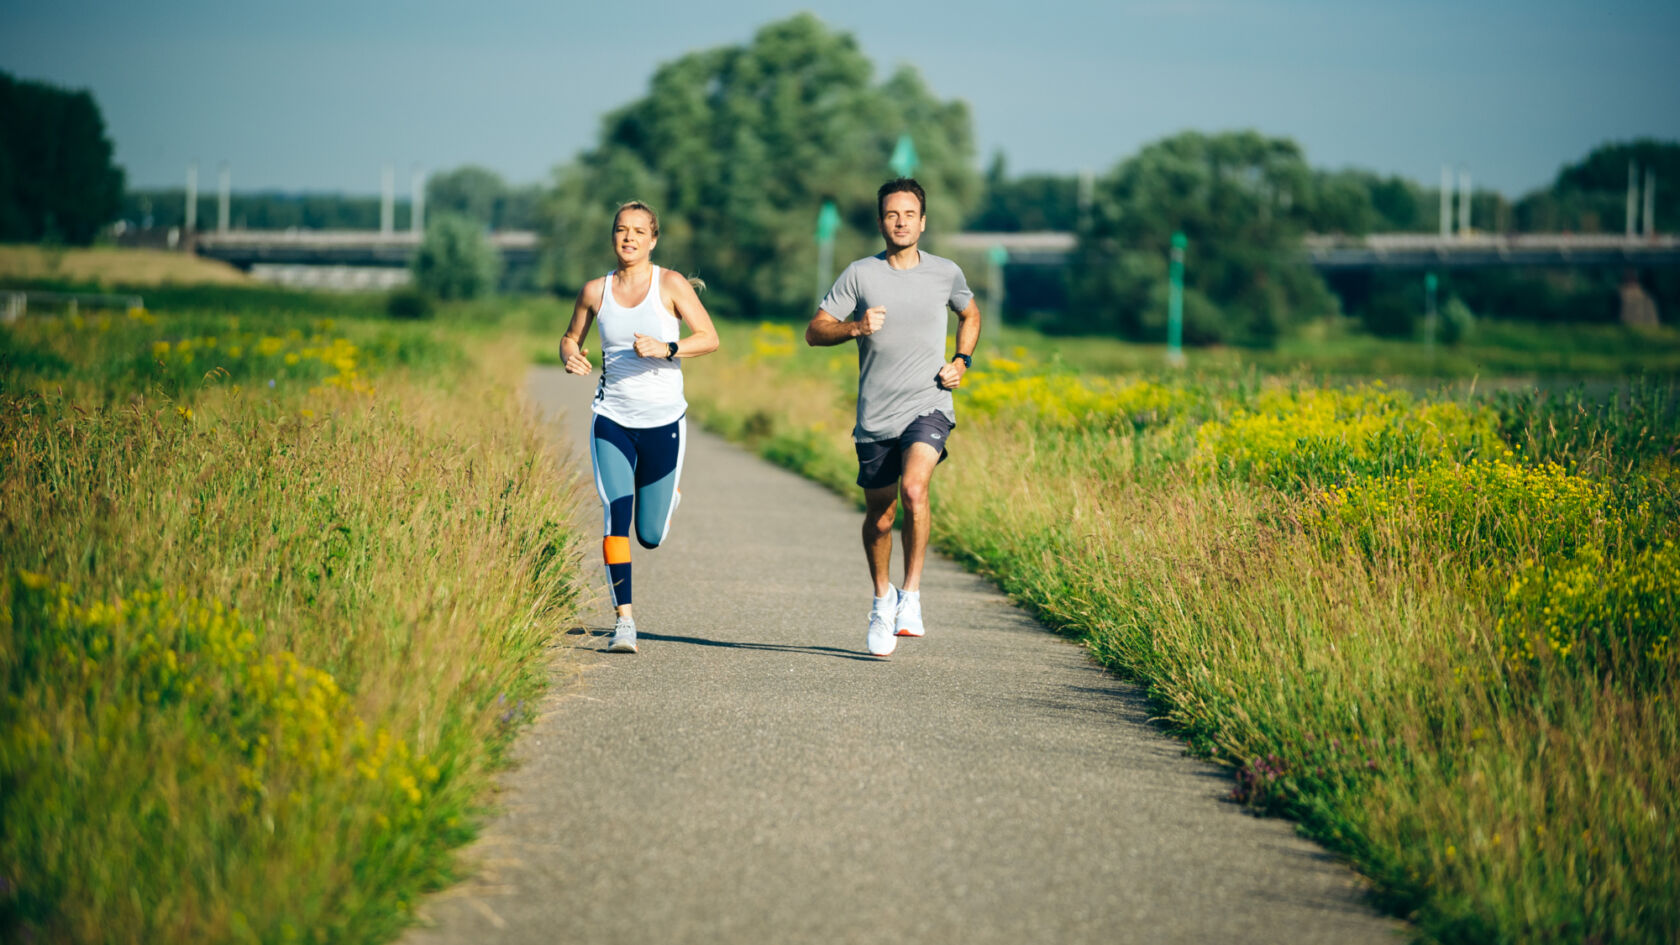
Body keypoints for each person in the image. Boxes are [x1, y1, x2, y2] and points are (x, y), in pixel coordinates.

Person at [805, 178, 981, 657]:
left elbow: (970, 314)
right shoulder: (860, 275)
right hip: (875, 416)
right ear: (881, 221)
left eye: (909, 215)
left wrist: (961, 361)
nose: (901, 222)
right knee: (880, 520)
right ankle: (882, 600)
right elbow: (815, 331)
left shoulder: (946, 273)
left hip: (929, 405)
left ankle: (912, 596)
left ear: (923, 222)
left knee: (914, 489)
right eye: (891, 215)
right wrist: (856, 326)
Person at [559, 200, 719, 654]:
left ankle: (668, 500)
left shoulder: (669, 284)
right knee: (615, 514)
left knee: (649, 535)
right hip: (611, 419)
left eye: (638, 231)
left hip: (664, 420)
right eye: (620, 230)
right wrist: (569, 353)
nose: (628, 238)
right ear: (613, 237)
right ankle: (624, 621)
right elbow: (571, 335)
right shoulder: (595, 291)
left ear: (653, 239)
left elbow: (709, 338)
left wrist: (667, 348)